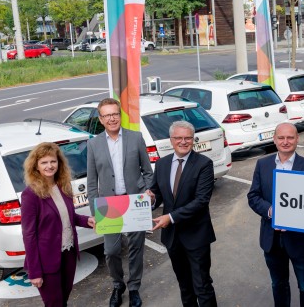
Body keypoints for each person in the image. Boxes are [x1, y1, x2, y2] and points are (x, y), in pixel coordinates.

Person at [86, 98, 153, 307]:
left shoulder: (136, 138)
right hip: (109, 206)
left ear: (120, 114)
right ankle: (118, 285)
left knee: (136, 248)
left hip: (134, 201)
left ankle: (134, 287)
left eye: (115, 113)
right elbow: (91, 183)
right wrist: (95, 212)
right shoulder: (93, 144)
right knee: (111, 251)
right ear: (101, 119)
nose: (112, 118)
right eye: (107, 115)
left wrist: (148, 192)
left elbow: (148, 172)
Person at [247, 122, 304, 307]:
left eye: (290, 137)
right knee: (278, 284)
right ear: (274, 139)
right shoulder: (262, 164)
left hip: (300, 240)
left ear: (297, 139)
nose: (285, 141)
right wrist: (272, 211)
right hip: (271, 240)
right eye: (281, 137)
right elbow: (253, 196)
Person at [148, 120, 217, 307]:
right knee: (184, 286)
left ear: (193, 140)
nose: (183, 142)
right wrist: (150, 199)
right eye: (178, 138)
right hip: (172, 238)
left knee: (202, 285)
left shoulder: (204, 164)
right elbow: (158, 195)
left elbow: (201, 201)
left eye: (188, 138)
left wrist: (170, 217)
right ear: (171, 140)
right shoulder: (161, 164)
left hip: (196, 236)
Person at [21, 142, 93, 307]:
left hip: (68, 253)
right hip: (46, 260)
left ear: (59, 163)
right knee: (54, 304)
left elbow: (68, 216)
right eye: (44, 162)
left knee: (63, 300)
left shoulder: (63, 186)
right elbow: (29, 235)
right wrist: (35, 271)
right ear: (36, 166)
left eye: (53, 161)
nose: (49, 166)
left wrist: (87, 221)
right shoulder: (30, 194)